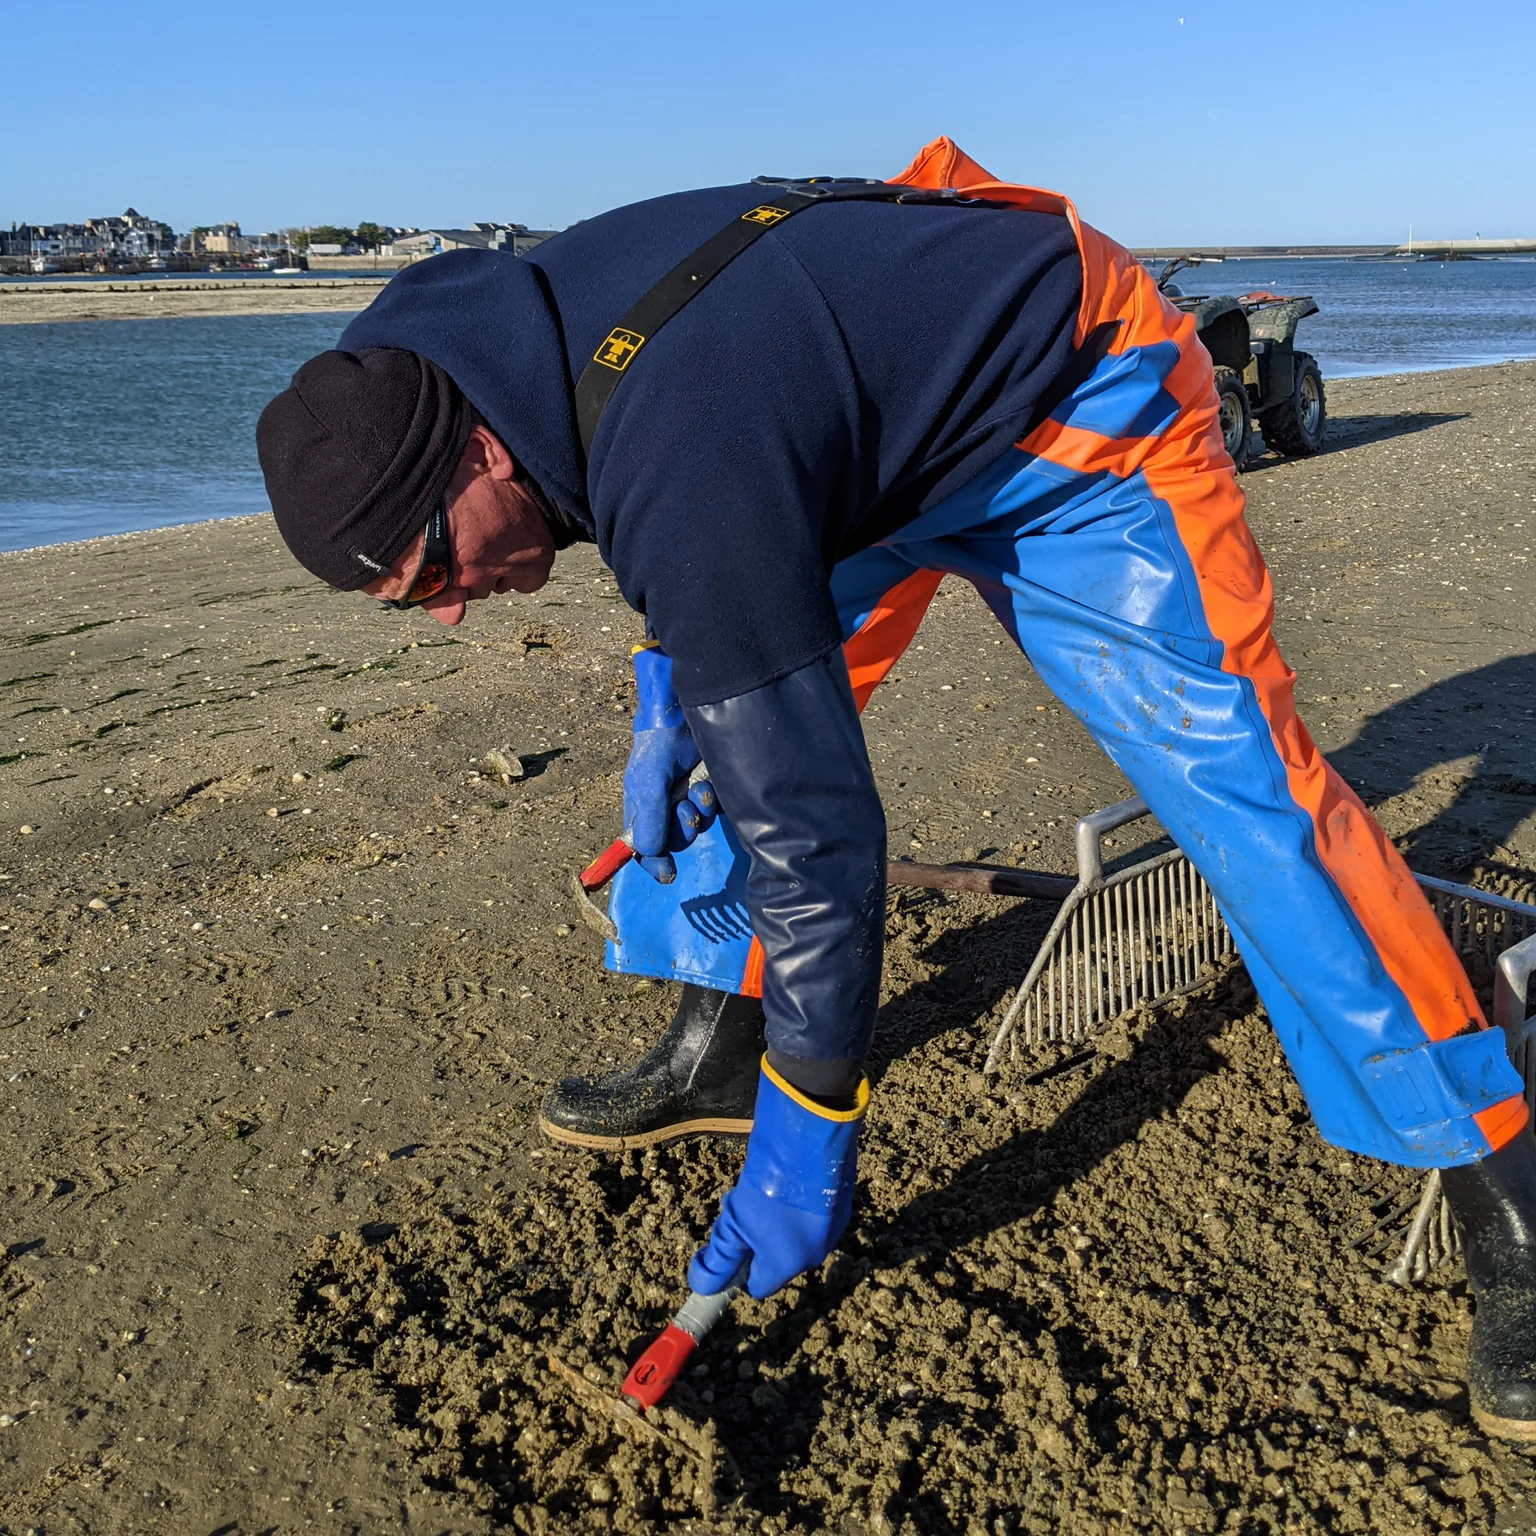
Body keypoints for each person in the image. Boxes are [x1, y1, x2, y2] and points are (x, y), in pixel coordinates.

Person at [256, 138, 1536, 1438]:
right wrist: (669, 690)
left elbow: (820, 842)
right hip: (843, 432)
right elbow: (675, 491)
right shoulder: (400, 371)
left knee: (1249, 802)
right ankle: (720, 1039)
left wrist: (814, 1130)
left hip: (1074, 402)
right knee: (716, 732)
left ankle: (1504, 1181)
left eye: (430, 579)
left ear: (470, 463)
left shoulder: (684, 460)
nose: (453, 614)